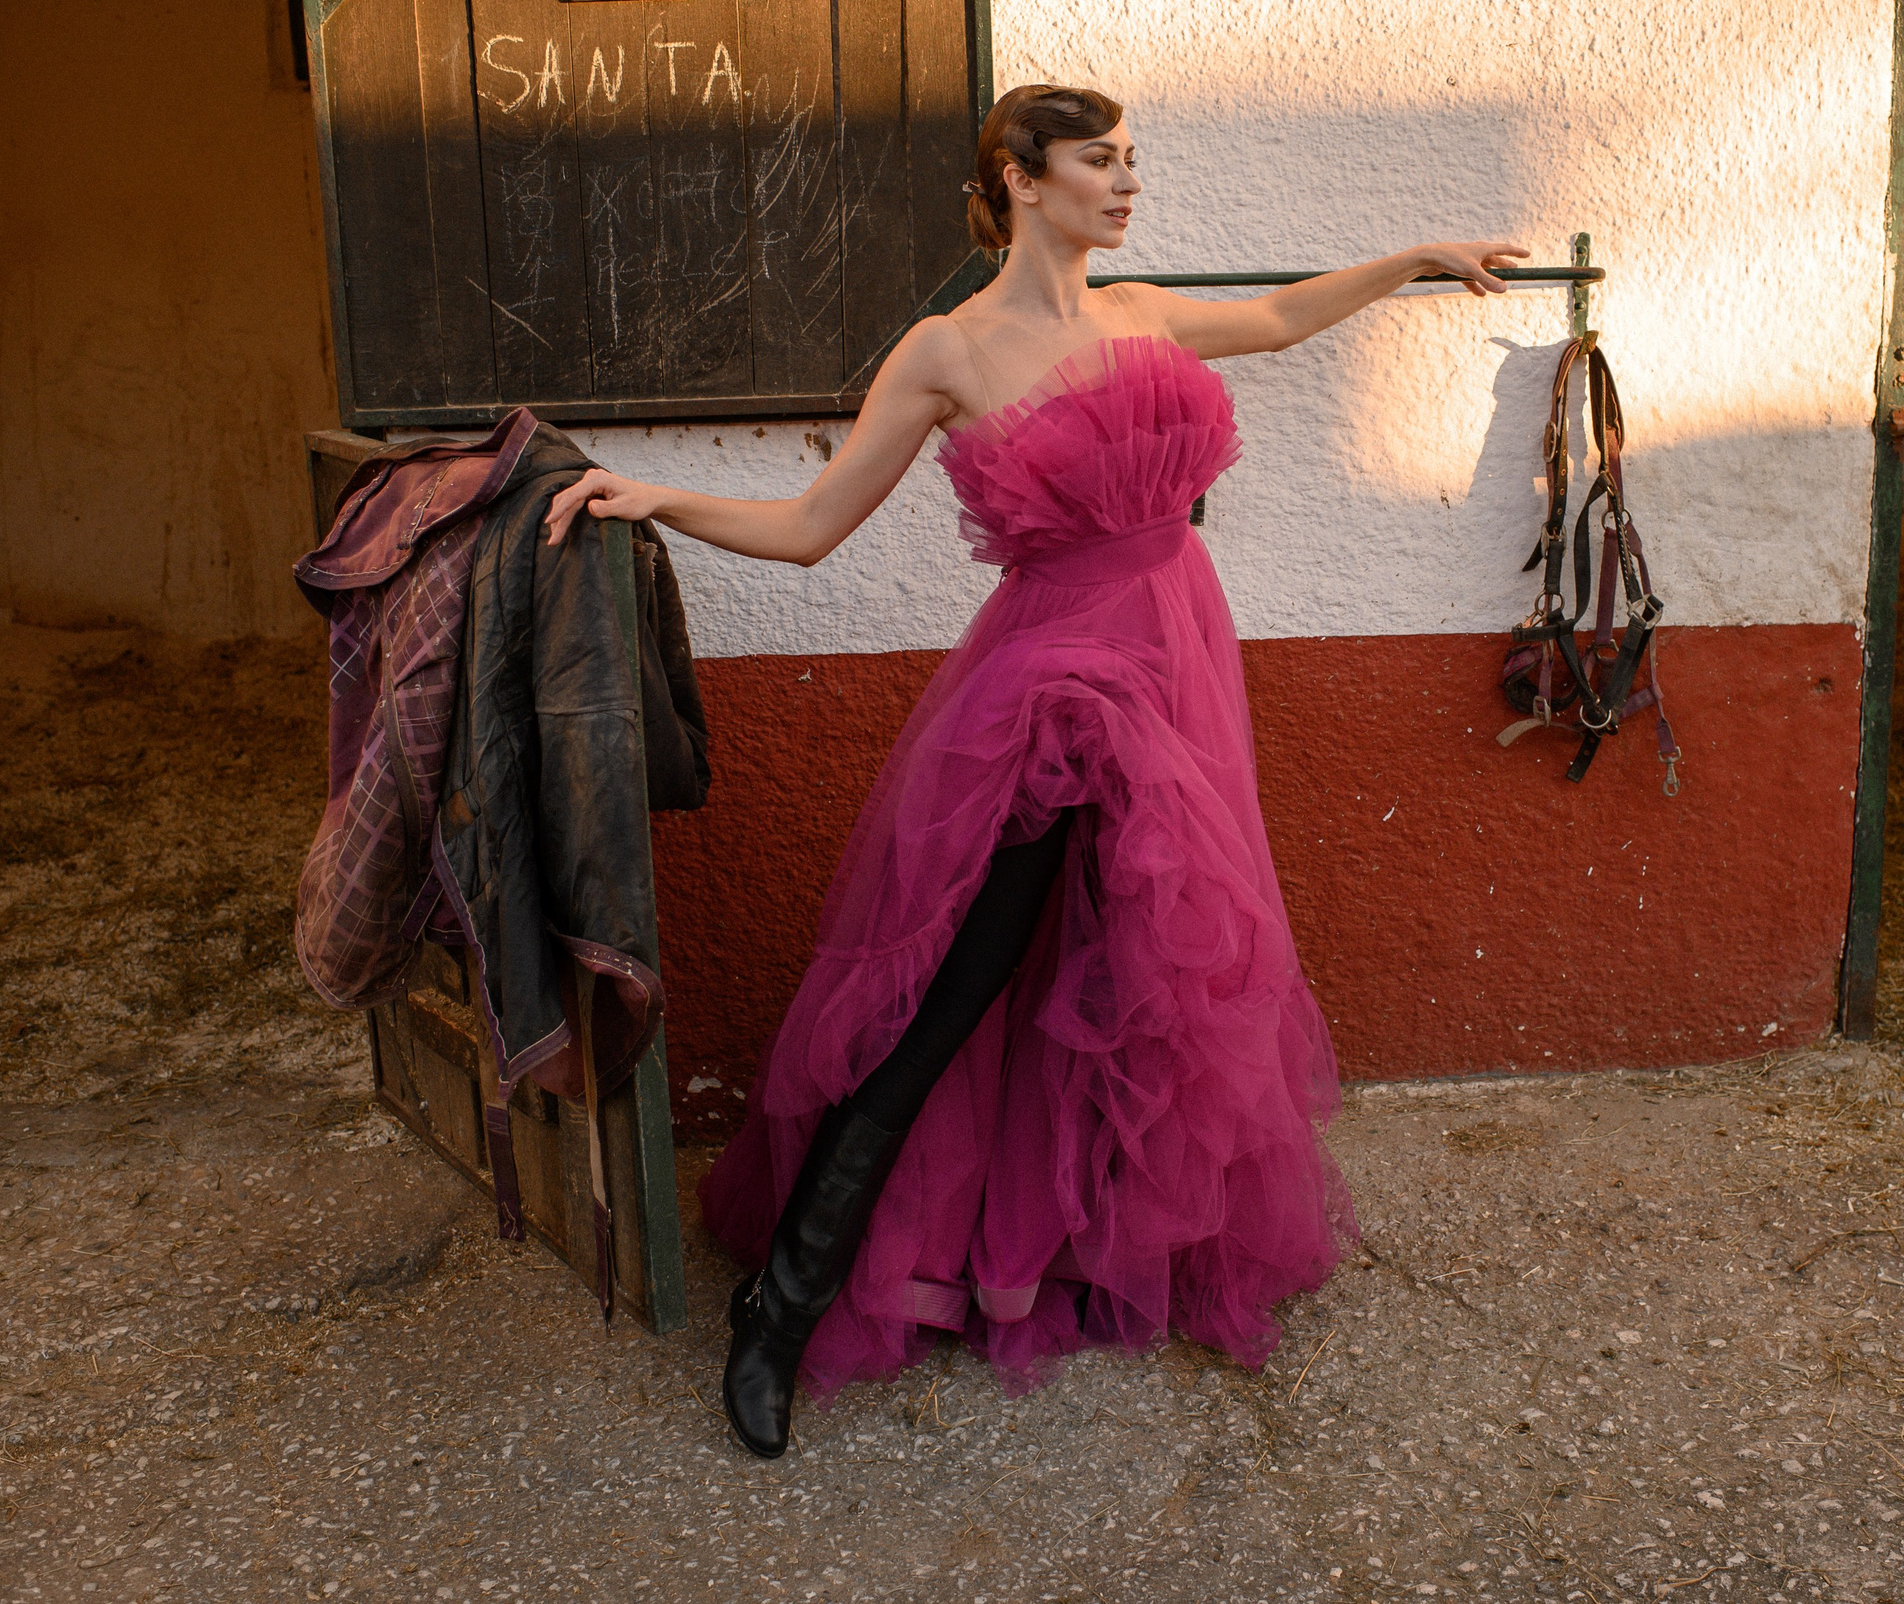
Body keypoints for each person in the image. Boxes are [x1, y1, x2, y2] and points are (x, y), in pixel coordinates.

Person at [544, 83, 1529, 1458]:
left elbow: (1276, 317)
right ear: (1019, 176)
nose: (1126, 183)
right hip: (1052, 698)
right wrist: (660, 499)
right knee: (953, 992)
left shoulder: (1142, 314)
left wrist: (1416, 258)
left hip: (1175, 668)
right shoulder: (947, 350)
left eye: (1132, 160)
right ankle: (783, 1308)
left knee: (1141, 979)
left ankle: (1071, 1251)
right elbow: (815, 525)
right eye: (1098, 161)